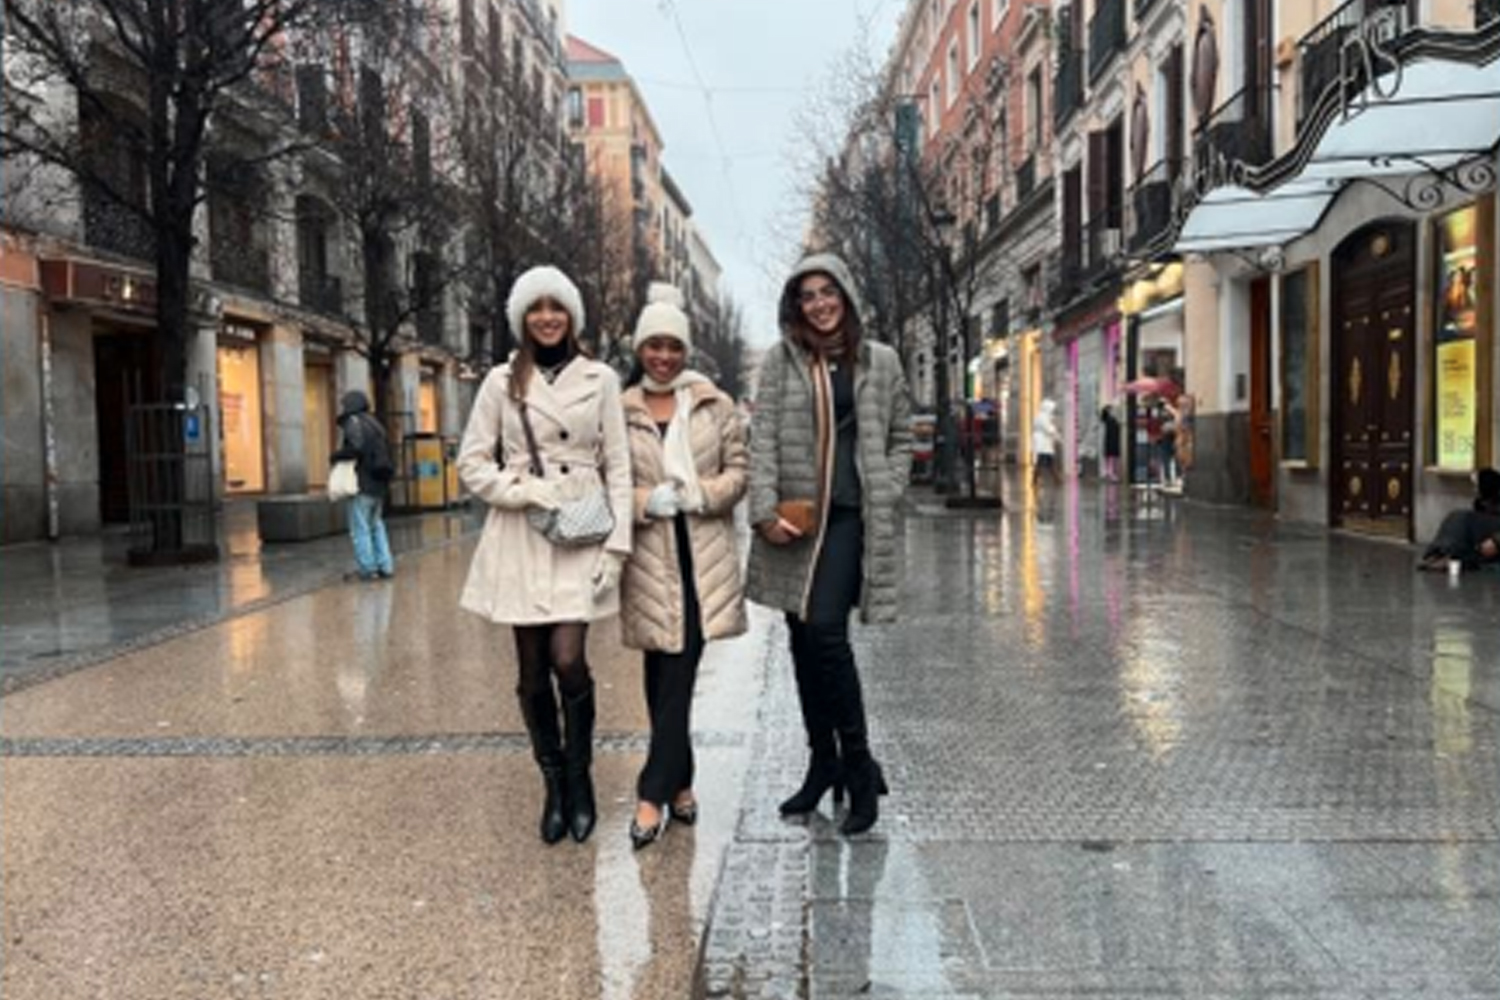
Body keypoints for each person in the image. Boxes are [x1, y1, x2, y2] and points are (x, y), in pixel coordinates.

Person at [456, 265, 632, 845]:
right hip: (522, 532)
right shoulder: (500, 382)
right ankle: (554, 786)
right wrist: (526, 490)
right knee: (531, 670)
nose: (547, 317)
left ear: (573, 316)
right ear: (521, 317)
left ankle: (580, 780)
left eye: (557, 307)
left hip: (580, 530)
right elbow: (473, 463)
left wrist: (620, 544)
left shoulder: (601, 378)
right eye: (536, 307)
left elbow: (620, 466)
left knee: (568, 659)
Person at [746, 252, 912, 837]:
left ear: (845, 294)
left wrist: (886, 488)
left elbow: (901, 435)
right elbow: (760, 438)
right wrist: (763, 512)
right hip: (795, 523)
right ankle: (824, 762)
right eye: (807, 295)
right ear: (796, 305)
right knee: (800, 639)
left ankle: (861, 768)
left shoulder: (880, 361)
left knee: (825, 634)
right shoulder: (781, 362)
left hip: (848, 518)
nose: (819, 303)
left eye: (827, 292)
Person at [618, 283, 749, 849]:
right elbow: (608, 484)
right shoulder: (619, 410)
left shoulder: (714, 405)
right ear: (640, 348)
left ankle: (651, 792)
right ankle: (683, 782)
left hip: (701, 558)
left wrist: (701, 494)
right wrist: (647, 502)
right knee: (660, 673)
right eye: (654, 346)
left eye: (673, 346)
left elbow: (740, 472)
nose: (664, 356)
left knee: (682, 669)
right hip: (649, 558)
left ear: (686, 350)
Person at [332, 390, 395, 581]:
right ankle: (385, 565)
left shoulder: (354, 422)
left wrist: (336, 456)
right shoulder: (376, 424)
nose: (342, 409)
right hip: (379, 484)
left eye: (344, 405)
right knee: (376, 525)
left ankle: (367, 569)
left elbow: (355, 449)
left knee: (360, 527)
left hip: (362, 483)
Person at [1418, 467, 1500, 572]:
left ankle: (1449, 555)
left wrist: (1496, 542)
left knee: (1463, 519)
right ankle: (1441, 553)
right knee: (1458, 519)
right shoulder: (1484, 502)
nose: (1474, 490)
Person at [1031, 398, 1061, 489]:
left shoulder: (1041, 416)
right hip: (1043, 443)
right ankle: (1035, 479)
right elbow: (1048, 429)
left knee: (1047, 462)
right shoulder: (1043, 417)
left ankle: (1056, 479)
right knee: (1045, 461)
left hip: (1044, 443)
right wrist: (1057, 436)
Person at [1099, 404, 1122, 482]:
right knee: (1112, 460)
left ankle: (1109, 474)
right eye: (1111, 410)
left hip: (1110, 444)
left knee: (1110, 460)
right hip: (1112, 444)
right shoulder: (1110, 421)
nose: (1113, 411)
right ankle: (1111, 474)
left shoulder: (1106, 421)